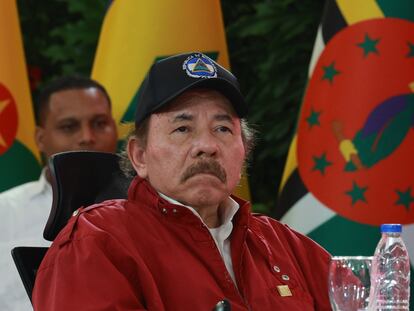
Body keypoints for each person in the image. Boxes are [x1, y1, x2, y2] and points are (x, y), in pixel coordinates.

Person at [32, 53, 331, 310]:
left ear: (244, 152)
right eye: (183, 128)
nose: (206, 145)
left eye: (223, 129)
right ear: (140, 156)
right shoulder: (97, 243)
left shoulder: (287, 246)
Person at [0, 76, 118, 311]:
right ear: (41, 139)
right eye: (69, 126)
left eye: (99, 123)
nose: (87, 136)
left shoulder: (155, 207)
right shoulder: (4, 213)